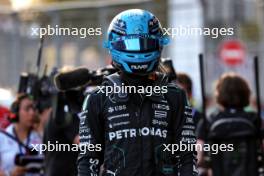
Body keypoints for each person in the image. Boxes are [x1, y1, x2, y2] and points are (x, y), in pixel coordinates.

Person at [78, 9, 198, 176]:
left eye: (145, 44)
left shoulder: (174, 95)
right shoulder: (97, 98)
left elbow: (186, 155)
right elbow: (89, 159)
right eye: (131, 44)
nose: (139, 51)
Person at [196, 72, 262, 176]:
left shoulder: (209, 120)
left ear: (219, 94)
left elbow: (198, 157)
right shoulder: (254, 119)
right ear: (246, 93)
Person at [0, 93, 42, 176]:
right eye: (27, 109)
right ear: (16, 112)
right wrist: (10, 174)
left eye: (34, 109)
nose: (32, 113)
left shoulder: (39, 137)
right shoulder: (3, 137)